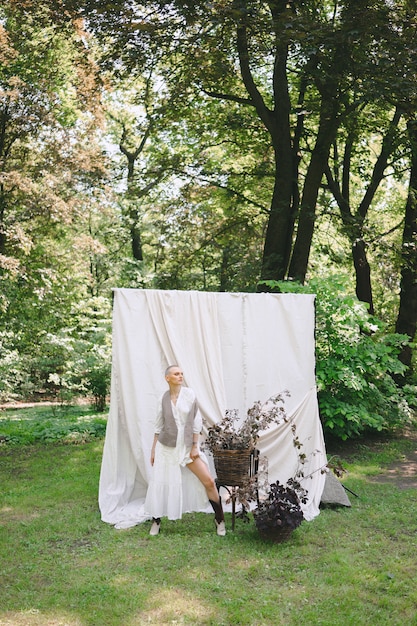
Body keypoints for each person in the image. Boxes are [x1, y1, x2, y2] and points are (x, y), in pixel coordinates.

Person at [144, 365, 226, 536]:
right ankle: (156, 522)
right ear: (168, 378)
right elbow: (158, 426)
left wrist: (195, 446)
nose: (180, 376)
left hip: (187, 445)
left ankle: (219, 519)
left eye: (181, 373)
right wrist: (153, 450)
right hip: (167, 447)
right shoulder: (163, 398)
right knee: (160, 483)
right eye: (176, 374)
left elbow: (197, 422)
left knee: (209, 482)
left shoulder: (189, 395)